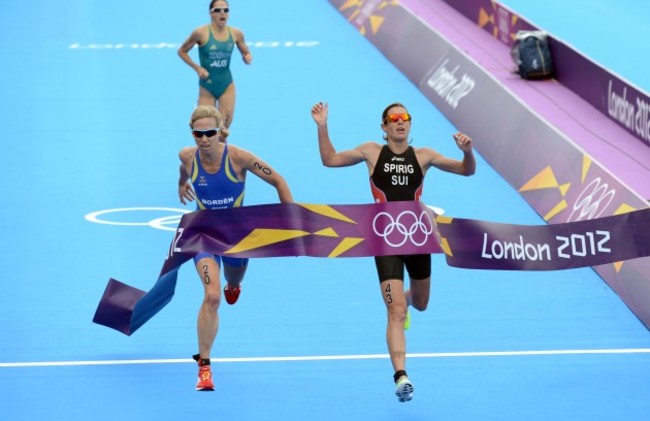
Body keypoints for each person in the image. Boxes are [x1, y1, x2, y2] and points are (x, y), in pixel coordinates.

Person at [310, 101, 476, 402]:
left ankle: (408, 301)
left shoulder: (424, 156)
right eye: (393, 119)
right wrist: (322, 126)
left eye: (405, 118)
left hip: (418, 237)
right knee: (395, 311)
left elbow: (466, 171)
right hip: (385, 238)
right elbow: (330, 160)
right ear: (384, 127)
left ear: (409, 125)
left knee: (420, 303)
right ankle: (401, 375)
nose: (400, 122)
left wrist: (467, 151)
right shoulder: (371, 152)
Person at [178, 105, 293, 391]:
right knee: (212, 296)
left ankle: (235, 285)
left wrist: (294, 219)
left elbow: (278, 180)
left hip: (236, 238)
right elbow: (184, 168)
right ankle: (204, 367)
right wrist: (182, 184)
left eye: (209, 133)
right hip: (202, 234)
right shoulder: (187, 156)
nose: (204, 139)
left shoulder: (239, 158)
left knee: (232, 281)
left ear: (220, 133)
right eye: (198, 134)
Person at [177, 0, 252, 128]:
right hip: (207, 87)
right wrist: (197, 68)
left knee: (223, 131)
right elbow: (182, 51)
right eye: (218, 10)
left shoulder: (236, 34)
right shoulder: (200, 33)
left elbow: (246, 52)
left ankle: (223, 148)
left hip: (226, 85)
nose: (222, 13)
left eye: (226, 10)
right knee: (205, 129)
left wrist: (247, 57)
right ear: (210, 13)